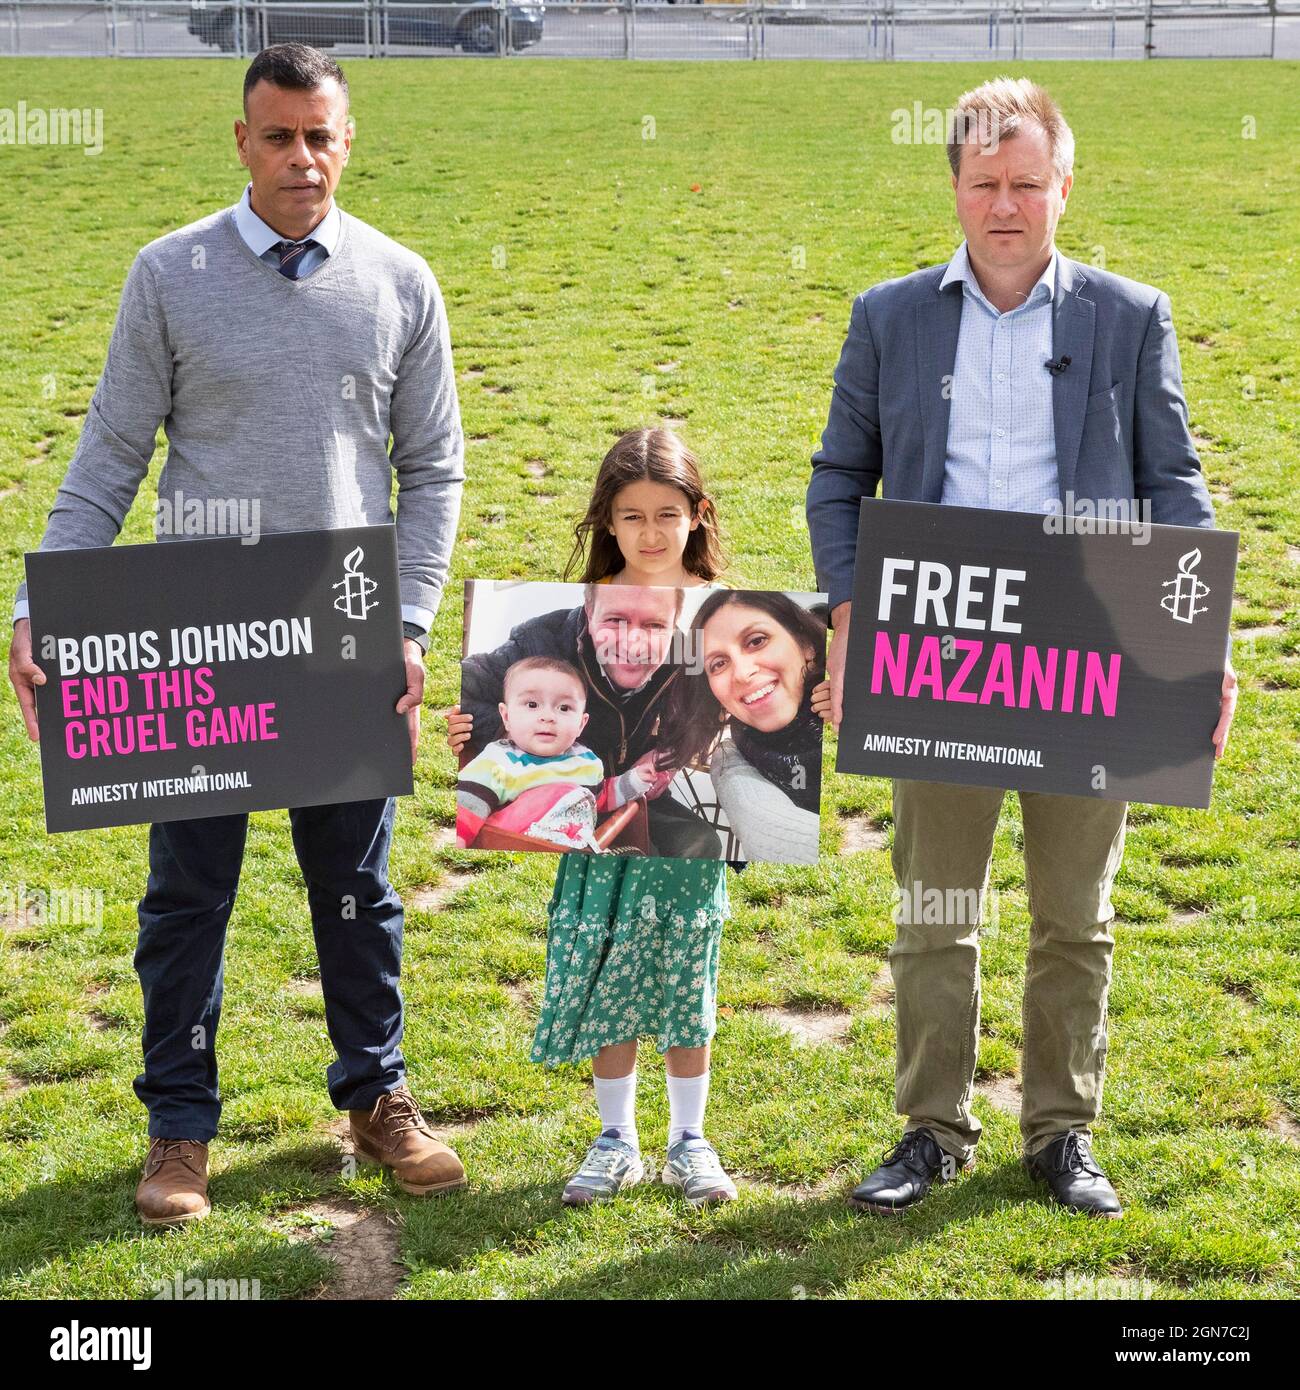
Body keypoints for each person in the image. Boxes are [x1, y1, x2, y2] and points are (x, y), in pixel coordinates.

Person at [7, 45, 467, 1224]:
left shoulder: (401, 281)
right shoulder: (170, 274)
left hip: (344, 630)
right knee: (187, 892)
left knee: (357, 888)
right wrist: (37, 606)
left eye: (321, 135)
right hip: (196, 639)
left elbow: (435, 471)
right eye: (279, 137)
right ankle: (178, 1128)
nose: (301, 159)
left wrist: (408, 621)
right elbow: (111, 453)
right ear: (241, 139)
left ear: (347, 139)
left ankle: (376, 1095)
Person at [806, 77, 1237, 1219]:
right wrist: (849, 613)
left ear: (1062, 186)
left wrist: (1202, 644)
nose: (1006, 205)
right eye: (985, 183)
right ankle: (930, 1127)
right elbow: (840, 476)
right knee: (935, 904)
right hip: (934, 653)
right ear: (953, 185)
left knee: (1073, 913)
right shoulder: (889, 316)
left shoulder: (1128, 314)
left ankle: (1060, 1131)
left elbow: (1173, 485)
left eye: (1026, 184)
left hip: (1083, 655)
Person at [446, 427, 741, 1206]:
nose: (649, 533)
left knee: (686, 981)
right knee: (607, 972)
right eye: (631, 515)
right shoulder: (554, 629)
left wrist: (808, 707)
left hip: (684, 841)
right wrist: (474, 730)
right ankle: (615, 1139)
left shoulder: (723, 623)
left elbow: (767, 704)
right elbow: (483, 686)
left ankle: (691, 1141)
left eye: (667, 515)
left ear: (697, 516)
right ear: (606, 522)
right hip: (590, 835)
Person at [653, 590, 831, 866]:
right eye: (718, 664)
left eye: (756, 641)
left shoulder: (863, 708)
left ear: (806, 644)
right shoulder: (733, 759)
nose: (742, 673)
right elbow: (771, 833)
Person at [455, 655, 671, 850]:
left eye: (564, 708)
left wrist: (633, 781)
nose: (548, 717)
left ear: (581, 724)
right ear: (506, 716)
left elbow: (599, 797)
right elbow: (466, 808)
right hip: (515, 853)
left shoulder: (585, 761)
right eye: (532, 704)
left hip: (576, 851)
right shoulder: (497, 762)